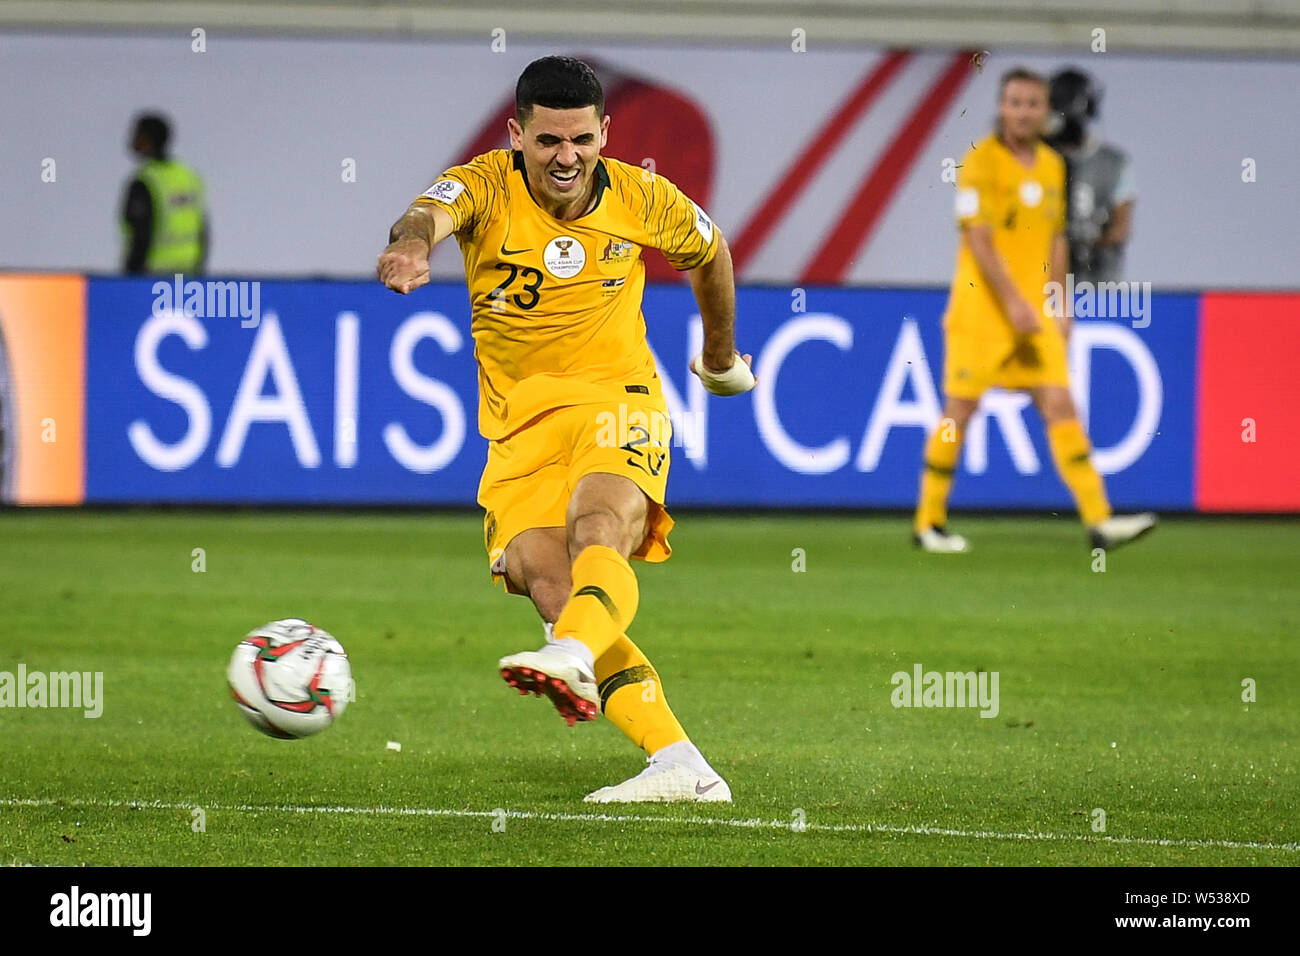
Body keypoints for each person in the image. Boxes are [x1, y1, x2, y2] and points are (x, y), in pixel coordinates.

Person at [377, 56, 754, 803]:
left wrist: (717, 354)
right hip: (520, 428)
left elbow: (710, 253)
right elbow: (424, 215)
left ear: (606, 133)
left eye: (581, 138)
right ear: (517, 133)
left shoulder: (643, 196)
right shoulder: (485, 183)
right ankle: (680, 762)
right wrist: (414, 245)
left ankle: (574, 651)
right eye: (548, 140)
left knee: (600, 527)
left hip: (620, 396)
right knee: (550, 581)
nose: (566, 156)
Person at [912, 67, 1155, 554]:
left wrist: (1058, 304)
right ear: (1002, 108)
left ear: (1046, 112)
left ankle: (1099, 521)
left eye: (1032, 104)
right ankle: (928, 523)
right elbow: (977, 239)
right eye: (1015, 102)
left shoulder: (1050, 165)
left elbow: (1056, 240)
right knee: (958, 411)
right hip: (983, 311)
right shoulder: (980, 161)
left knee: (1060, 405)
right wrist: (1014, 303)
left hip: (1035, 312)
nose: (1023, 112)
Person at [1046, 68, 1135, 283]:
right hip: (1045, 281)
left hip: (1098, 281)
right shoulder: (1039, 160)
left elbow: (1121, 227)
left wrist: (1088, 243)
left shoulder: (1113, 162)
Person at [121, 113, 207, 275]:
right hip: (190, 274)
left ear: (147, 139)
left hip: (153, 273)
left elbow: (141, 233)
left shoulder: (146, 180)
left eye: (136, 134)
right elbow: (202, 228)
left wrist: (130, 277)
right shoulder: (188, 175)